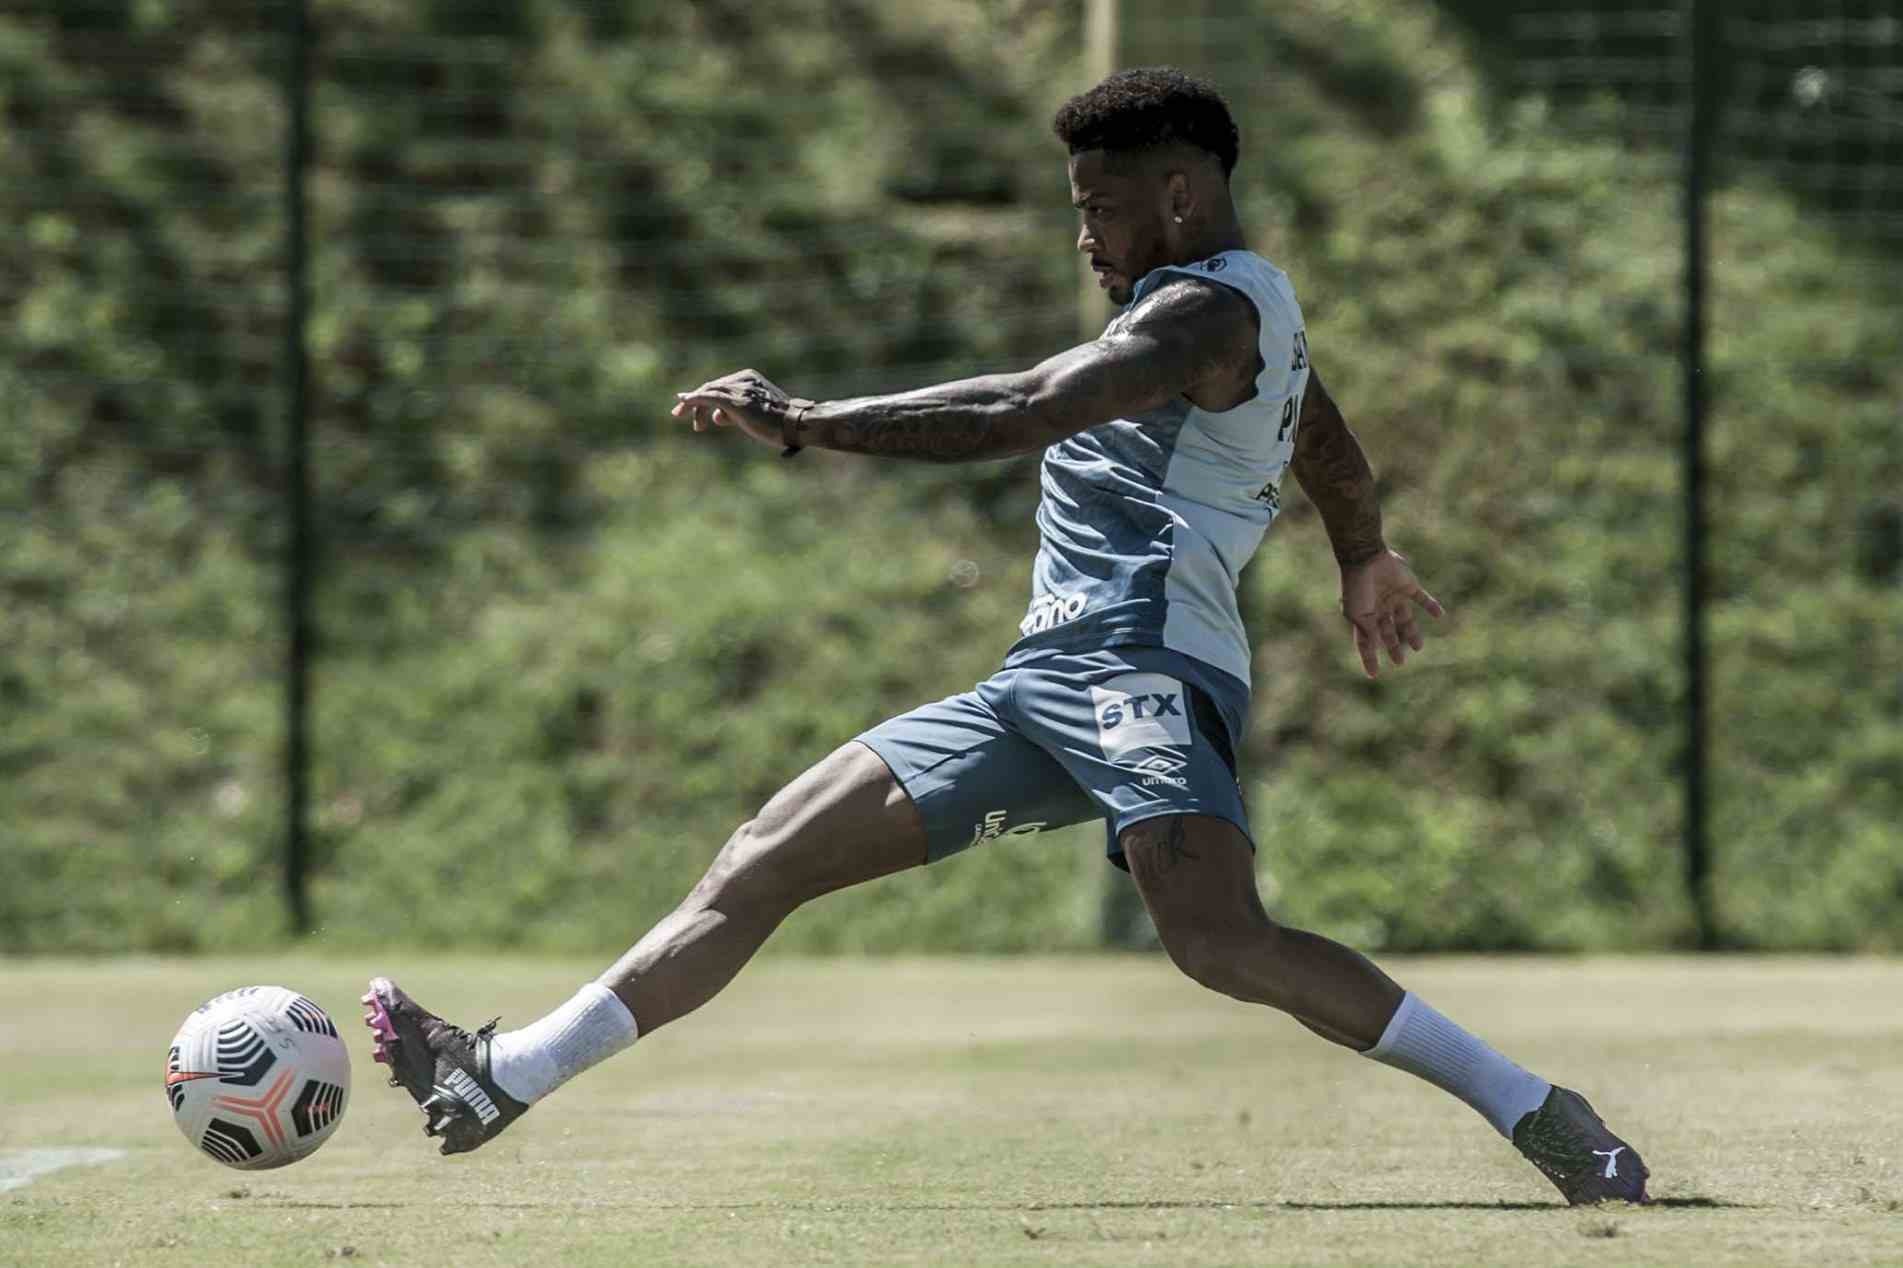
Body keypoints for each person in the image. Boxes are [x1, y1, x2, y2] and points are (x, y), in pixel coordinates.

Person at [362, 67, 1648, 1205]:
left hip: (1143, 661)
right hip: (1044, 677)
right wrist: (1360, 551)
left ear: (1185, 194)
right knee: (765, 851)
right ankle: (505, 1073)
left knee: (1218, 941)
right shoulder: (1235, 318)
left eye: (1102, 203)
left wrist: (802, 414)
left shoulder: (1201, 315)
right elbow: (1324, 437)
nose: (1084, 231)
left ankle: (1534, 1109)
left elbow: (1022, 407)